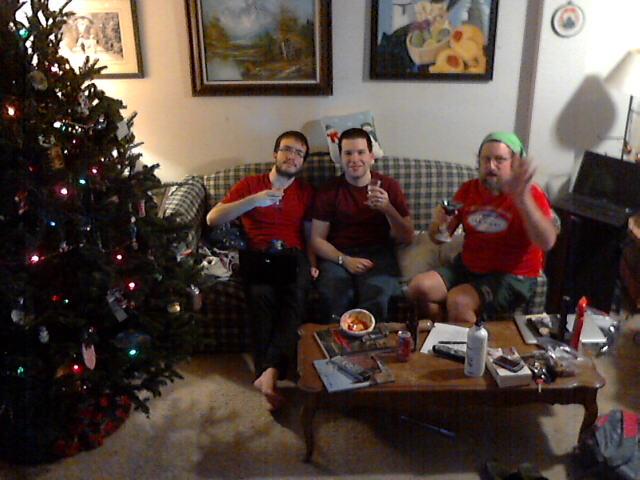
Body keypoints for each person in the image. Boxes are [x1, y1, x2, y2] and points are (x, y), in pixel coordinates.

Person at [206, 131, 315, 411]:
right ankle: (269, 373)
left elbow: (310, 233)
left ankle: (268, 373)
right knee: (260, 298)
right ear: (275, 153)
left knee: (295, 298)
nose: (292, 157)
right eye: (287, 150)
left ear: (303, 162)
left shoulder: (305, 192)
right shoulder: (251, 185)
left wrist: (313, 263)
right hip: (259, 257)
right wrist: (255, 200)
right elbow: (212, 218)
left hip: (293, 257)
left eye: (299, 153)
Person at [408, 132, 558, 324]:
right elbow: (439, 238)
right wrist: (439, 224)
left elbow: (547, 242)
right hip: (468, 267)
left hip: (511, 276)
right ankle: (443, 331)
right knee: (418, 288)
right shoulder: (468, 190)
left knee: (459, 301)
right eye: (486, 159)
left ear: (514, 163)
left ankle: (468, 341)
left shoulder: (531, 194)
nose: (491, 166)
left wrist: (522, 198)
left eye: (499, 160)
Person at [310, 128, 414, 323]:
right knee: (334, 295)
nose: (354, 159)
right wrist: (345, 260)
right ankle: (336, 341)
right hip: (338, 255)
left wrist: (388, 208)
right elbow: (317, 239)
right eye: (348, 153)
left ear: (371, 156)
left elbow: (407, 237)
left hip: (378, 254)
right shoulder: (329, 190)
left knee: (377, 296)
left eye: (360, 152)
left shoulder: (389, 186)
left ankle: (371, 341)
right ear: (340, 158)